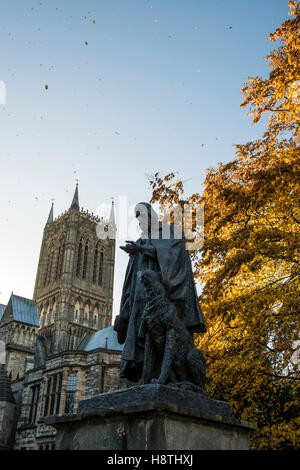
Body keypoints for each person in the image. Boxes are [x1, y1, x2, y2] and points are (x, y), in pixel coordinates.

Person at [113, 202, 206, 382]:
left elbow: (172, 255)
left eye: (141, 215)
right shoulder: (141, 241)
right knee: (144, 335)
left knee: (163, 335)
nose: (139, 220)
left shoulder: (170, 232)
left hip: (162, 296)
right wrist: (124, 310)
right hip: (140, 300)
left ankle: (168, 377)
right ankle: (147, 376)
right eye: (136, 216)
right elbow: (130, 278)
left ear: (151, 215)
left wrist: (142, 250)